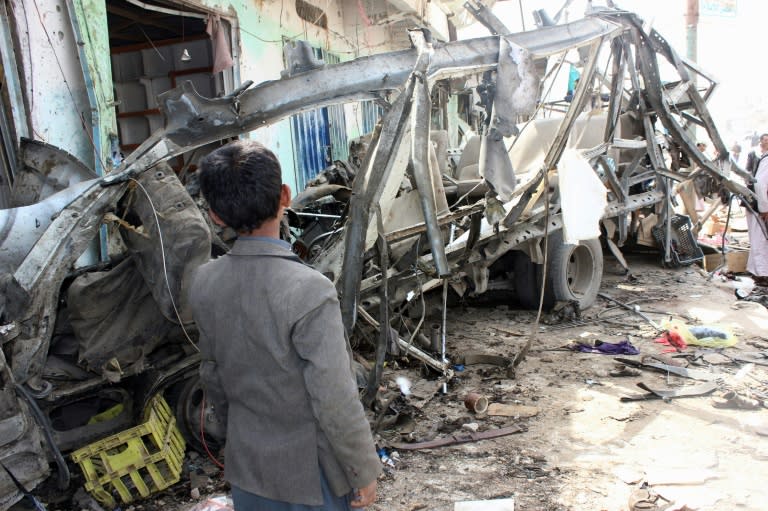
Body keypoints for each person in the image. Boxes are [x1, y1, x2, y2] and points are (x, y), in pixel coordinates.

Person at [188, 140, 381, 510]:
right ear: (286, 196)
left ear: (215, 215)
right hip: (311, 481)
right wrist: (362, 470)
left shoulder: (205, 283)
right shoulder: (310, 290)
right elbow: (335, 398)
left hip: (248, 471)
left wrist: (236, 441)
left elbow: (213, 377)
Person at [746, 133, 768, 286]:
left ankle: (757, 272)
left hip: (760, 204)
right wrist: (764, 208)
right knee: (760, 239)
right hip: (759, 205)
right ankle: (762, 274)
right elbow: (760, 185)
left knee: (759, 239)